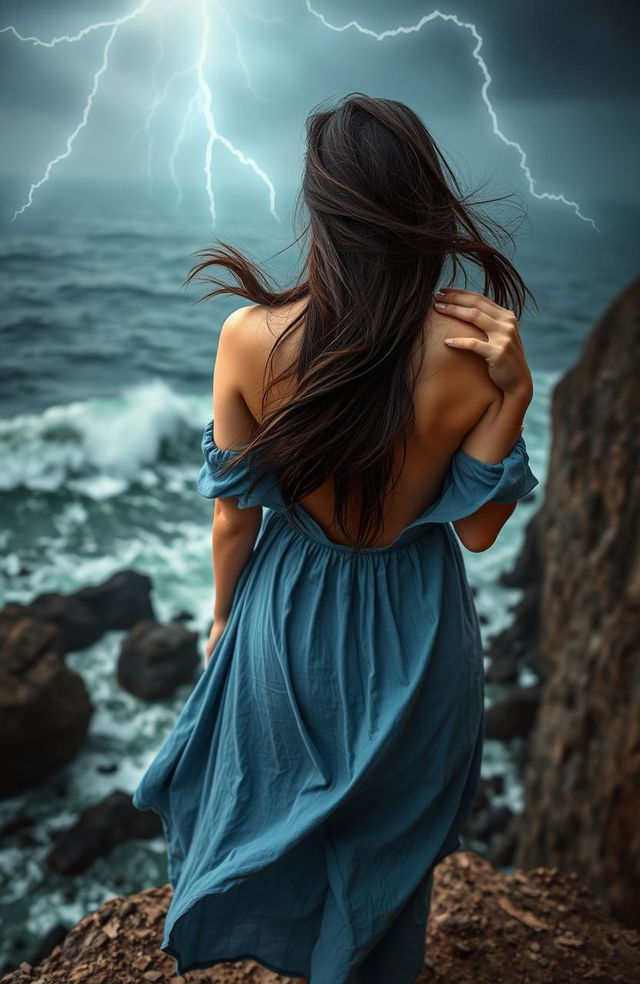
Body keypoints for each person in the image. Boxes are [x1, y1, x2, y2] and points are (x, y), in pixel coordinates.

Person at [132, 92, 539, 984]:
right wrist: (514, 397)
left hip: (291, 615)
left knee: (271, 803)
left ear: (322, 208)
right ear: (425, 206)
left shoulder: (251, 337)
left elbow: (235, 515)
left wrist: (220, 618)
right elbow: (475, 532)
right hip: (420, 624)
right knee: (387, 845)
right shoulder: (475, 354)